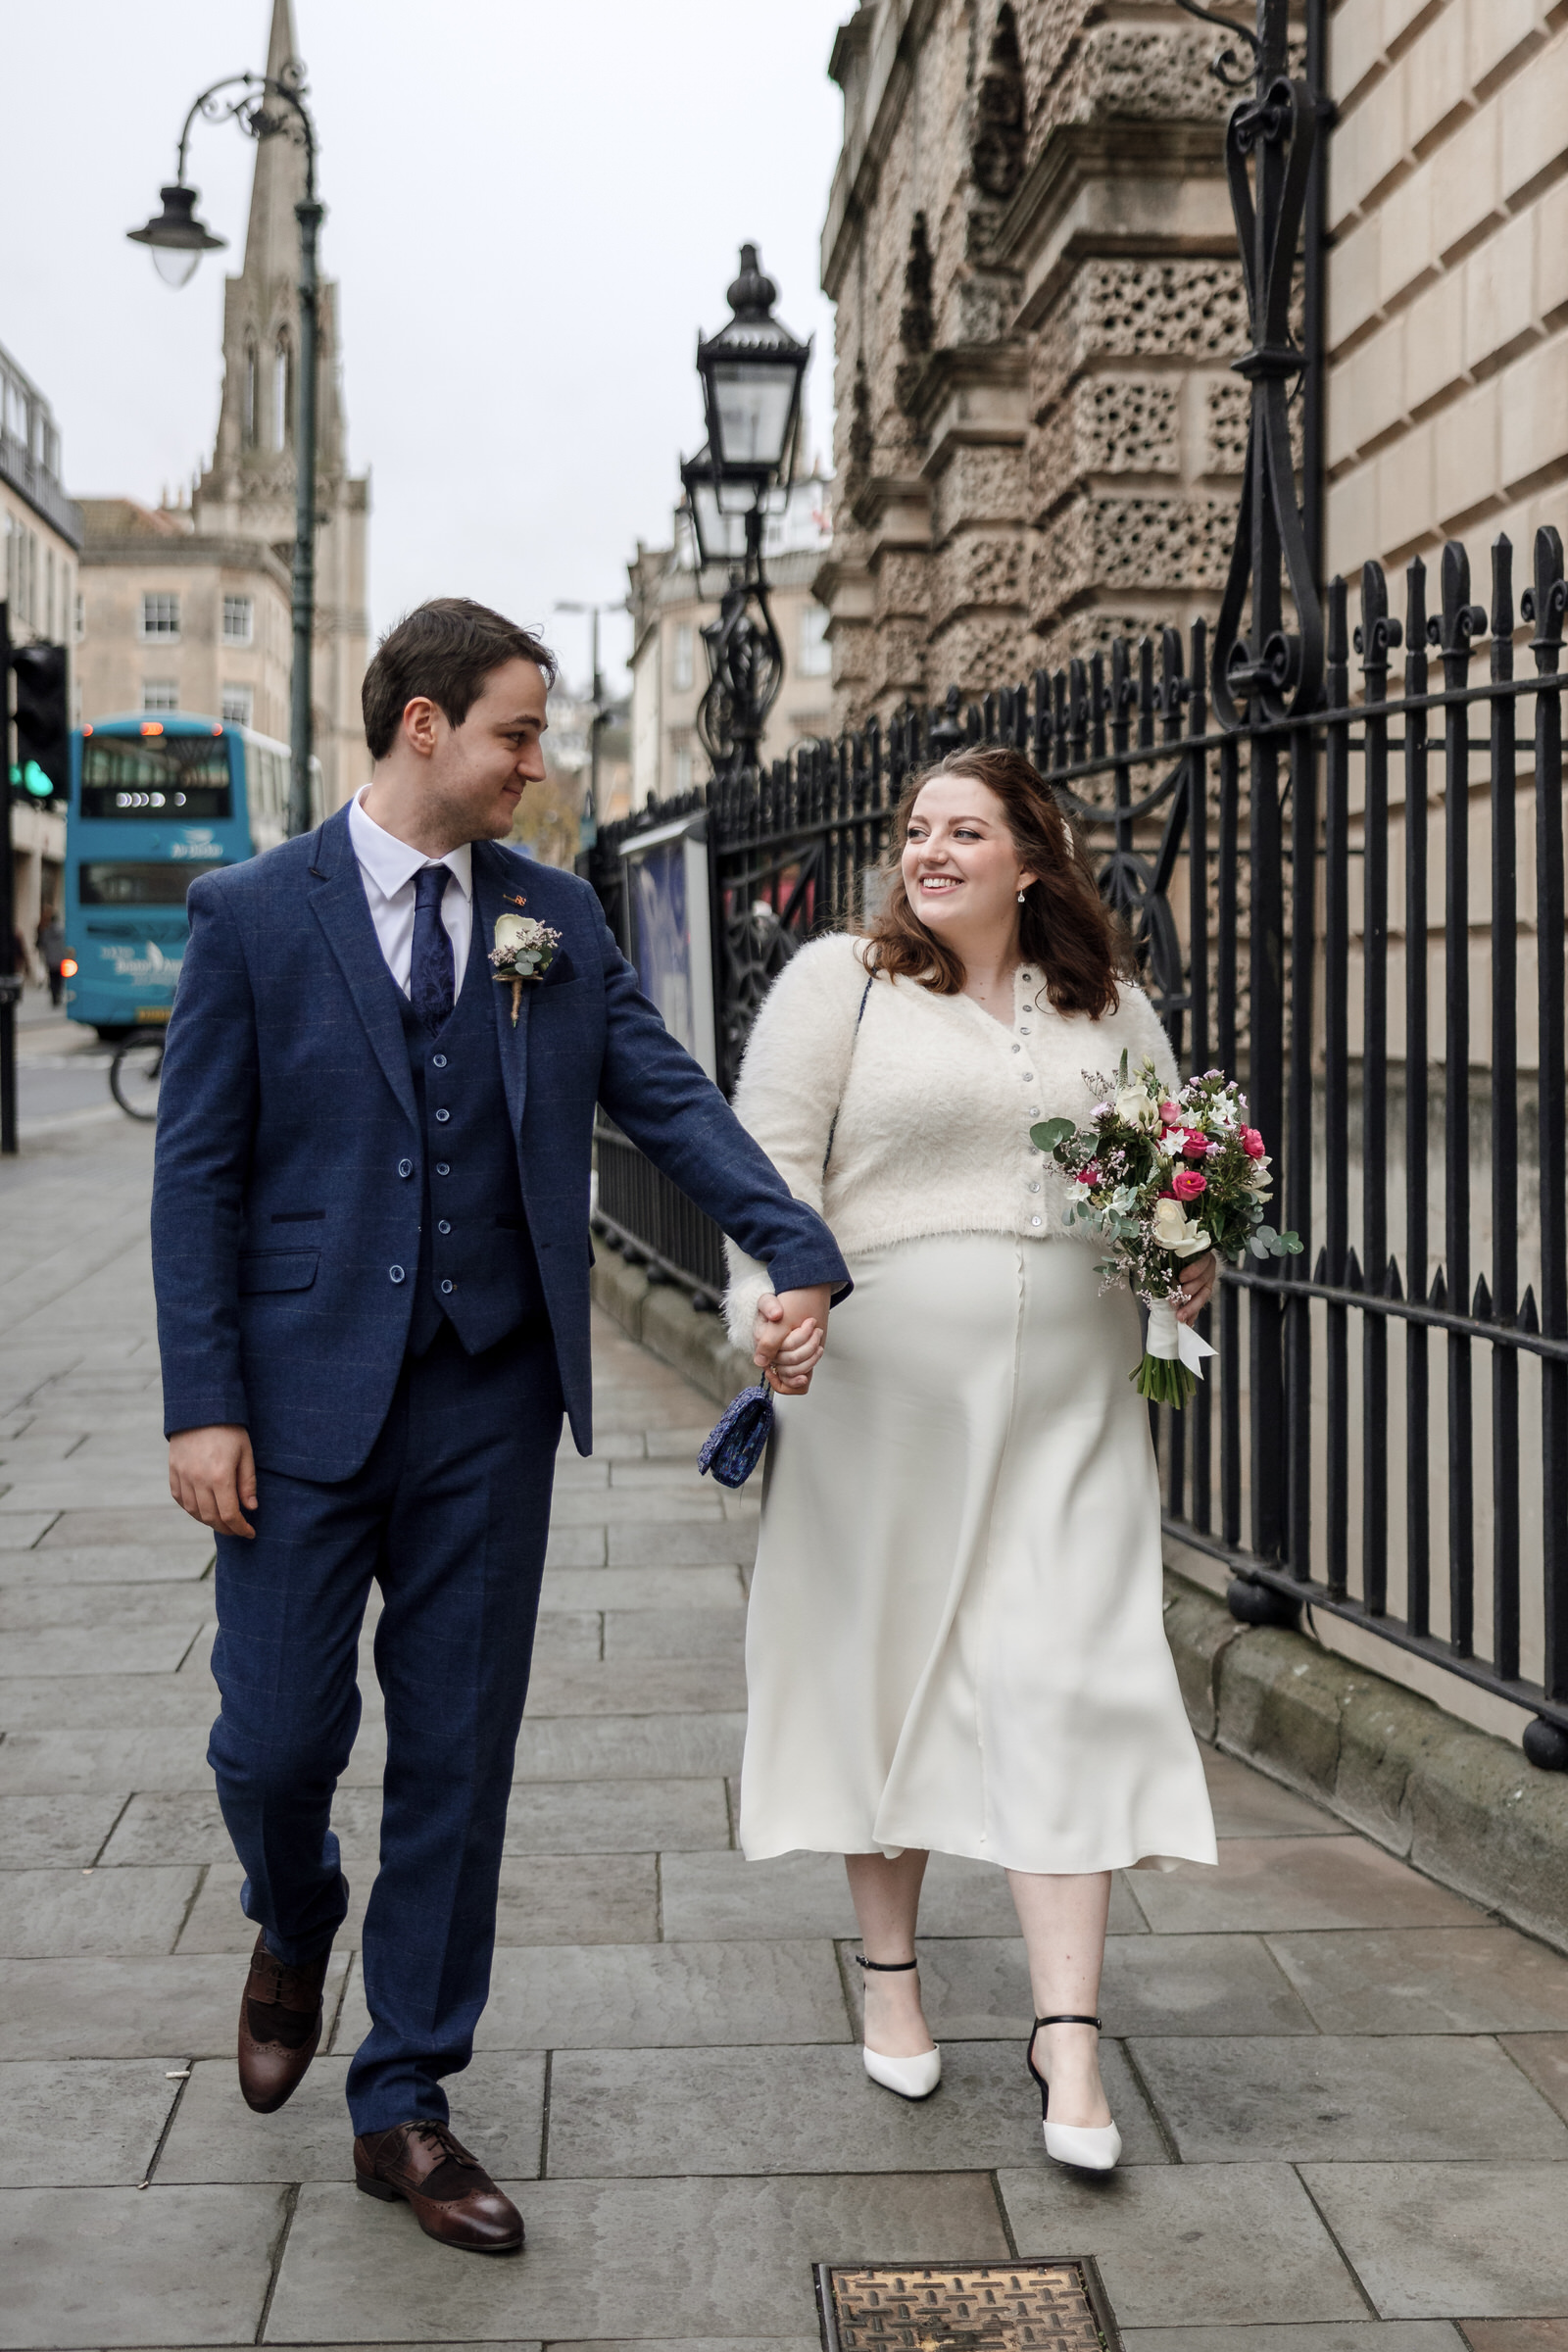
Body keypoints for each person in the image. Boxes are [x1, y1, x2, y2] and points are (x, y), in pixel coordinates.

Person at [151, 599, 848, 2256]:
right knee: (272, 1744)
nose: (540, 765)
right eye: (517, 737)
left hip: (487, 1398)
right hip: (300, 1401)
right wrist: (204, 1407)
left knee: (457, 1763)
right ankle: (292, 1910)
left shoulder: (552, 918)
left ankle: (404, 2098)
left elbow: (665, 1090)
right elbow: (198, 1180)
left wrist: (797, 1242)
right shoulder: (251, 915)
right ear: (421, 730)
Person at [724, 746, 1218, 2174]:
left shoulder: (1107, 1005)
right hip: (879, 1393)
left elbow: (1168, 1168)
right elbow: (769, 1162)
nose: (929, 851)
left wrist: (1184, 1263)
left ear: (1031, 858)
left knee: (1072, 1669)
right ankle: (891, 1971)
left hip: (1072, 1396)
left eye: (964, 830)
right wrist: (776, 1300)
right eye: (915, 830)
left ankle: (1069, 2034)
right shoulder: (843, 983)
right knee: (891, 1663)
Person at [36, 904, 66, 1006]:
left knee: (53, 978)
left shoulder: (46, 932)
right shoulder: (62, 931)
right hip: (61, 959)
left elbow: (42, 944)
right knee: (60, 979)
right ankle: (58, 995)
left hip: (50, 959)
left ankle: (54, 997)